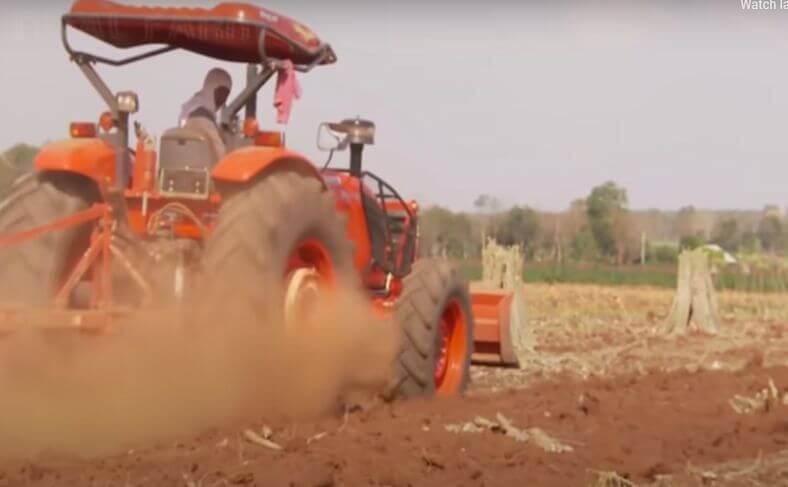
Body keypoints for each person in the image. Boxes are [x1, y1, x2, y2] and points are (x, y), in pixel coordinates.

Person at [178, 68, 233, 158]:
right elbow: (219, 151)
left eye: (226, 95)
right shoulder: (201, 114)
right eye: (221, 93)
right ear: (211, 87)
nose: (223, 99)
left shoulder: (191, 108)